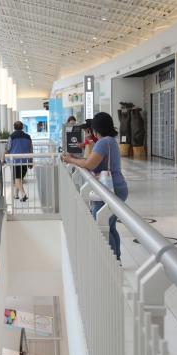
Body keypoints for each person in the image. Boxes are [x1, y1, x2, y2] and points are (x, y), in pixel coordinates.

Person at [61, 112, 128, 261]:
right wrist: (76, 159)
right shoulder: (110, 141)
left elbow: (89, 164)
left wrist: (71, 160)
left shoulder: (103, 142)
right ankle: (116, 260)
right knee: (110, 226)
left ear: (97, 128)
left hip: (109, 188)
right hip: (118, 186)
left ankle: (110, 262)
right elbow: (91, 160)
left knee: (100, 225)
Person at [4, 121, 33, 202]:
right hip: (25, 160)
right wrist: (31, 161)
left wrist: (3, 158)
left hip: (15, 161)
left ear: (14, 127)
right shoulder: (28, 137)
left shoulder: (11, 137)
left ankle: (23, 194)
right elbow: (31, 149)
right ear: (22, 127)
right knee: (19, 178)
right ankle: (16, 194)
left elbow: (8, 148)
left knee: (17, 179)